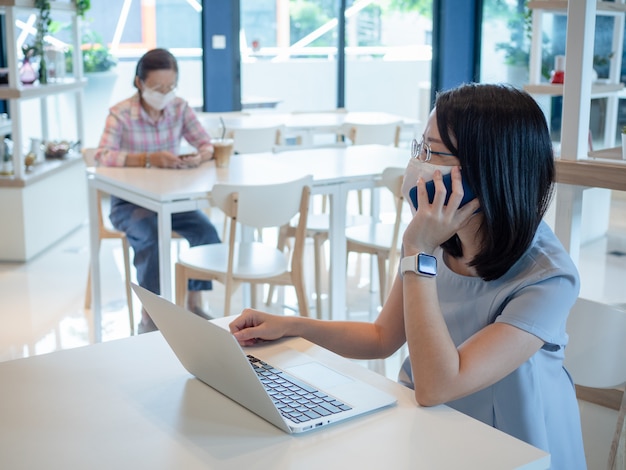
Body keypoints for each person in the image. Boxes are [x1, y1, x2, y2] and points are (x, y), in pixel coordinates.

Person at [228, 83, 585, 468]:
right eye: (421, 149)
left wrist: (417, 253)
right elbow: (382, 337)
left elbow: (438, 385)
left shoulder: (547, 277)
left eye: (433, 153)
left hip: (516, 447)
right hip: (436, 427)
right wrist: (293, 327)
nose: (419, 164)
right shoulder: (436, 236)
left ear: (489, 169)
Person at [95, 48, 220, 334]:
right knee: (151, 238)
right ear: (140, 82)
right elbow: (102, 156)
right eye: (156, 87)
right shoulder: (121, 113)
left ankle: (194, 304)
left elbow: (205, 143)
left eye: (170, 87)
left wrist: (201, 155)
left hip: (172, 202)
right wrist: (150, 159)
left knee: (206, 233)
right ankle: (150, 316)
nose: (164, 93)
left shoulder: (179, 108)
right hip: (130, 204)